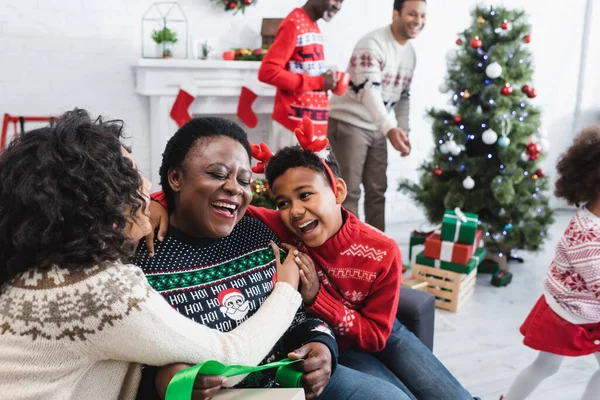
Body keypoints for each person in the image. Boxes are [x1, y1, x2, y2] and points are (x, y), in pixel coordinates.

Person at [148, 118, 475, 400]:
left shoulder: (379, 250)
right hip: (315, 354)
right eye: (283, 202)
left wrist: (320, 335)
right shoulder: (271, 226)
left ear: (338, 192)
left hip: (366, 332)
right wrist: (155, 201)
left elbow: (371, 335)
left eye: (245, 181)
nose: (296, 211)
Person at [0, 110, 305, 400]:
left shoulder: (36, 272)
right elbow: (228, 359)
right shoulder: (103, 289)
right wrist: (288, 290)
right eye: (132, 176)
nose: (147, 186)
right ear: (98, 200)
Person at [502, 125, 600, 400]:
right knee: (546, 366)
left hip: (587, 311)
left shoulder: (593, 221)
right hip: (569, 314)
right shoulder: (587, 238)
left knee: (546, 366)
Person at [327, 0, 426, 231]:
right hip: (349, 123)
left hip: (379, 126)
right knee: (348, 192)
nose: (418, 21)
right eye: (412, 14)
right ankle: (349, 254)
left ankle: (378, 255)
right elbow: (369, 92)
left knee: (376, 191)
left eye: (422, 16)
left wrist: (403, 131)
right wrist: (390, 128)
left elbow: (403, 97)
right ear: (396, 14)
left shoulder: (410, 53)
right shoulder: (372, 44)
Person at [258, 0, 344, 150]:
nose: (338, 6)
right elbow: (268, 71)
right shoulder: (294, 23)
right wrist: (319, 82)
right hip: (294, 127)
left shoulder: (312, 25)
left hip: (311, 126)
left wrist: (325, 79)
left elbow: (303, 69)